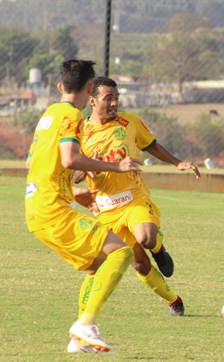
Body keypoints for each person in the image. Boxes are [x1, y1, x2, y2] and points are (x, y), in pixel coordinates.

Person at [25, 59, 143, 354]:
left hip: (36, 209)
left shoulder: (49, 114)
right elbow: (69, 159)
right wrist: (115, 166)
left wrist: (74, 190)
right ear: (90, 88)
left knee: (98, 265)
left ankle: (80, 340)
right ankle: (85, 325)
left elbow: (34, 162)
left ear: (60, 86)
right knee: (122, 251)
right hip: (53, 210)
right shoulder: (72, 116)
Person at [75, 76, 200, 327]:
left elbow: (151, 145)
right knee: (140, 265)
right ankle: (174, 301)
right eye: (108, 98)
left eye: (116, 98)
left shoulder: (129, 122)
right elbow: (74, 173)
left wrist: (178, 163)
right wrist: (91, 163)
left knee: (146, 237)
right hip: (106, 209)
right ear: (92, 101)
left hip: (134, 197)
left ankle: (159, 249)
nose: (114, 103)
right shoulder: (79, 132)